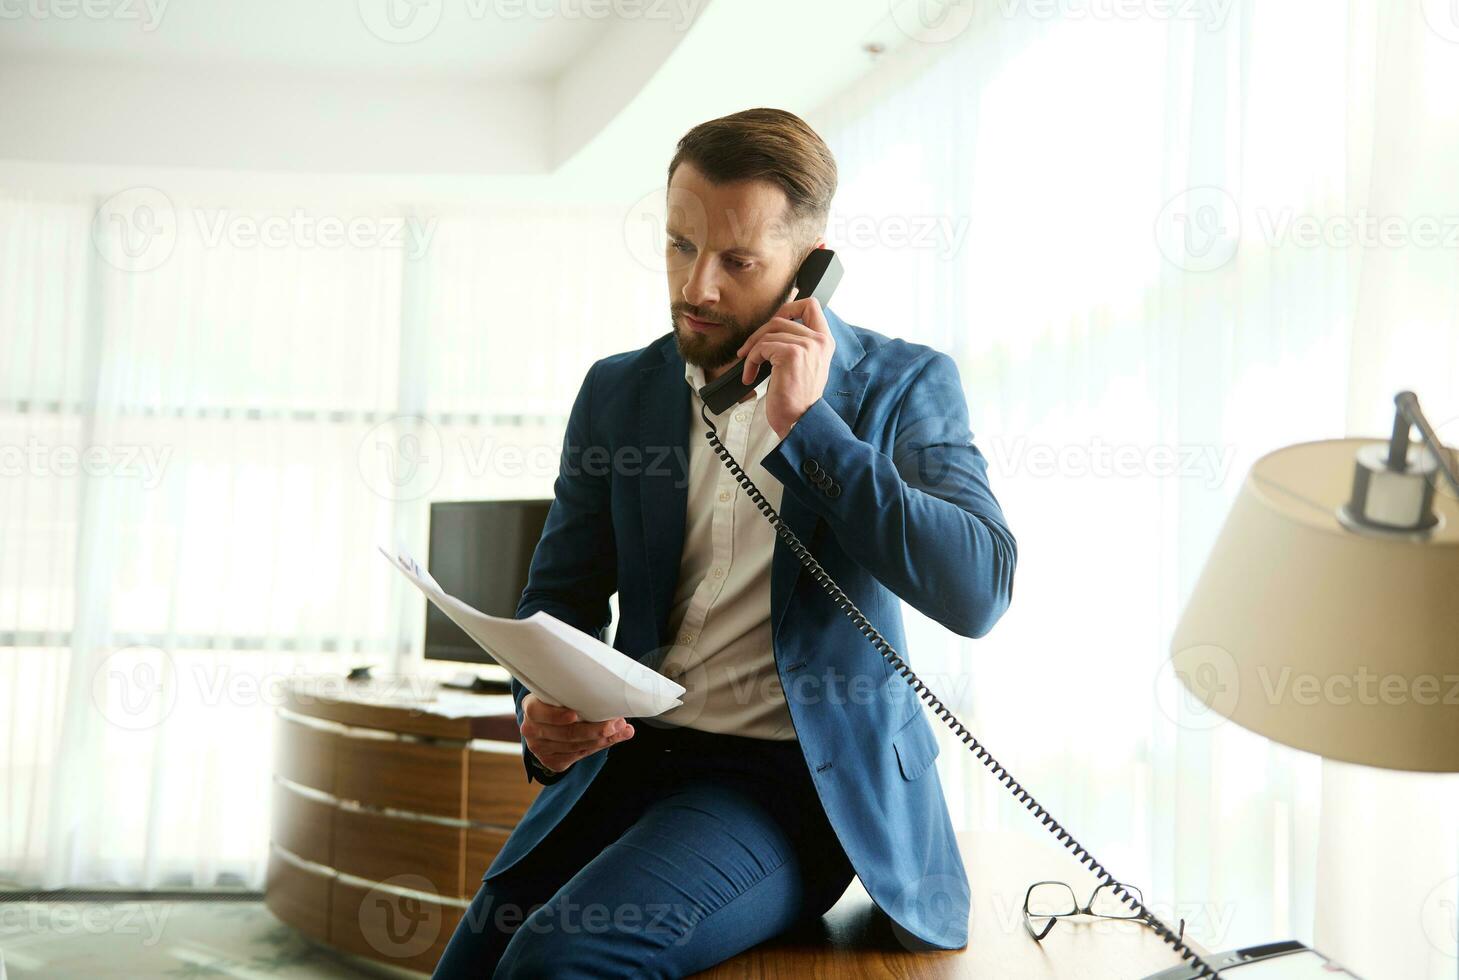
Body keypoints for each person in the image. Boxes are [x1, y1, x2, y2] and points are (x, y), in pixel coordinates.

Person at [432, 107, 1017, 979]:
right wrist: (541, 705)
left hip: (789, 787)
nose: (696, 286)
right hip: (627, 763)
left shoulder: (901, 384)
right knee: (472, 968)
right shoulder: (619, 393)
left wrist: (810, 429)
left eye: (737, 261)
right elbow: (559, 593)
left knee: (558, 960)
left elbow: (978, 590)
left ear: (809, 267)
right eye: (677, 245)